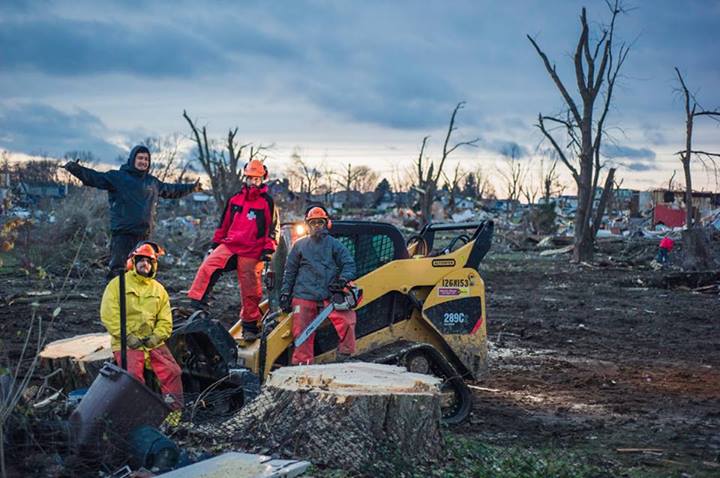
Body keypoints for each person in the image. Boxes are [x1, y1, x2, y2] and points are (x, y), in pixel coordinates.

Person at [63, 145, 200, 278]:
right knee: (119, 272)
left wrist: (192, 187)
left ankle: (136, 301)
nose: (143, 162)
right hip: (123, 235)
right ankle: (115, 300)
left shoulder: (152, 182)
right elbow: (95, 178)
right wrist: (75, 169)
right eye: (140, 158)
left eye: (146, 159)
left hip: (144, 236)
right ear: (133, 159)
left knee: (141, 272)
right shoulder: (118, 177)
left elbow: (172, 190)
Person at [187, 159, 278, 340]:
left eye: (257, 179)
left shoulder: (267, 202)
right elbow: (224, 224)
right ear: (245, 177)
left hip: (253, 250)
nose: (253, 182)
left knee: (250, 289)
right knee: (208, 266)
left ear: (262, 179)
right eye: (250, 178)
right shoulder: (235, 199)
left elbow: (273, 228)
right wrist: (215, 245)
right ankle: (196, 304)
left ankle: (250, 326)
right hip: (231, 244)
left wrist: (268, 250)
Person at [100, 241, 183, 410]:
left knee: (172, 371)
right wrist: (127, 336)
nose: (144, 264)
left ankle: (174, 413)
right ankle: (139, 414)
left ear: (153, 265)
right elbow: (109, 315)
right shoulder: (117, 284)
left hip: (151, 342)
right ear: (133, 262)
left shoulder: (159, 290)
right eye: (141, 260)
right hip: (127, 342)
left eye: (148, 261)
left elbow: (165, 321)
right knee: (133, 379)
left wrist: (155, 337)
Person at [279, 206, 357, 365]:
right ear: (308, 224)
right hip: (304, 296)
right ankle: (302, 365)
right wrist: (285, 293)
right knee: (301, 332)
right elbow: (290, 271)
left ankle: (344, 356)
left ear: (326, 224)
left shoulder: (335, 245)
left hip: (329, 296)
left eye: (320, 222)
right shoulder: (299, 246)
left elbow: (349, 265)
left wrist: (342, 280)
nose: (316, 226)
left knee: (348, 321)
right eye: (313, 223)